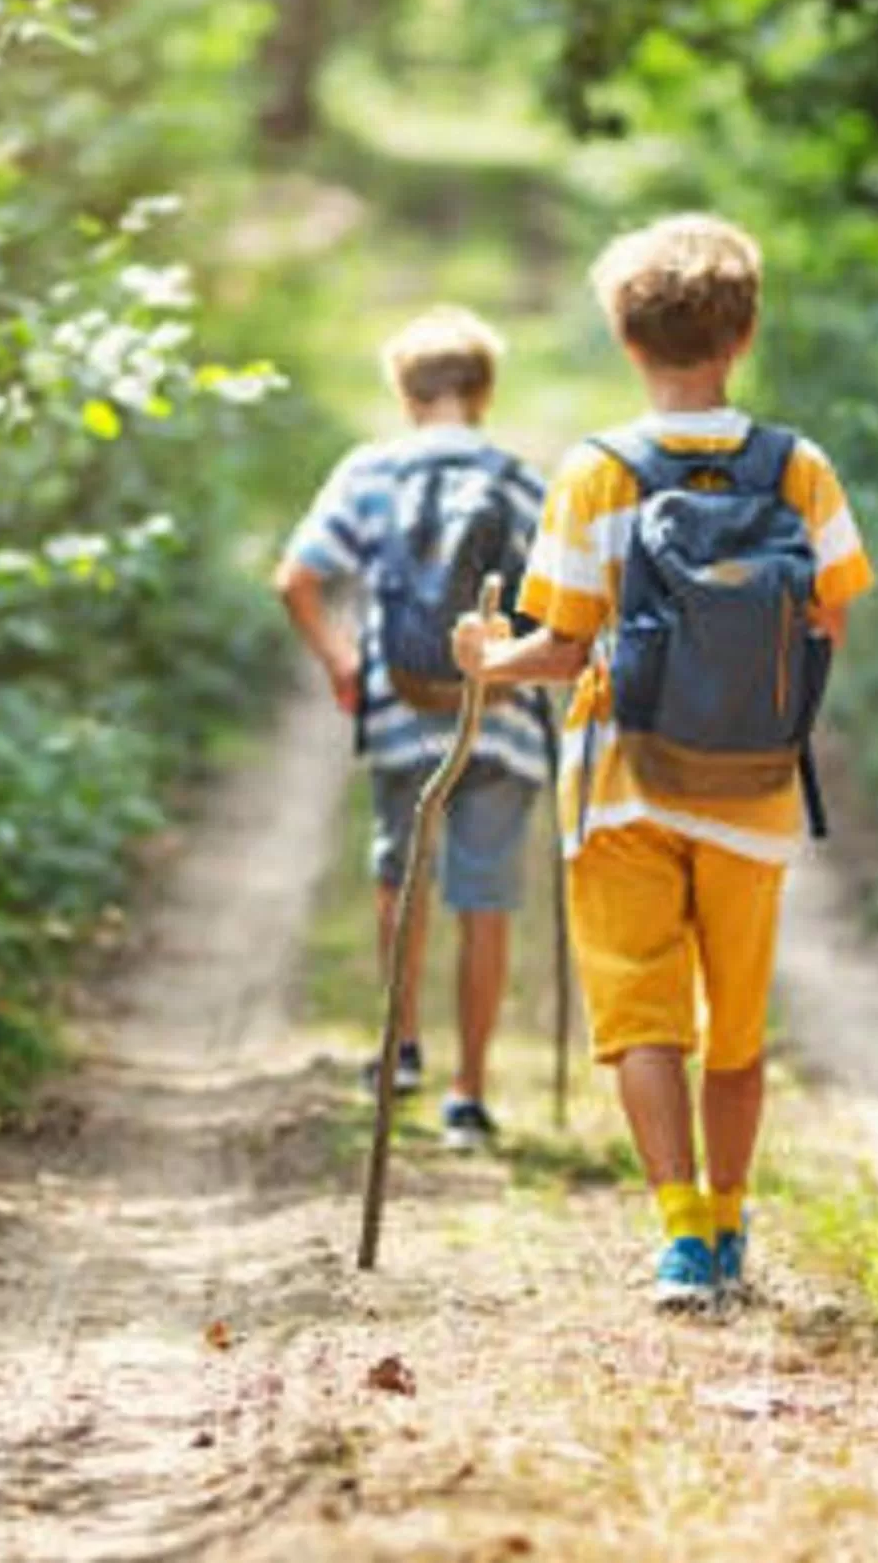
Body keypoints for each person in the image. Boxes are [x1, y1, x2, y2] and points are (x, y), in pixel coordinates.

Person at [453, 214, 875, 1310]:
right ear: (741, 334)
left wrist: (483, 660)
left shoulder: (596, 473)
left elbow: (563, 646)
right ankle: (735, 1221)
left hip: (622, 782)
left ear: (626, 340)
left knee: (643, 1013)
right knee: (734, 1027)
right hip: (756, 789)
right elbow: (833, 614)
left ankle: (682, 1233)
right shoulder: (801, 468)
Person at [275, 306, 549, 1151]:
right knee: (487, 895)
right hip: (499, 715)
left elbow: (296, 577)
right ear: (483, 391)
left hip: (400, 709)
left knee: (402, 873)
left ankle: (398, 1050)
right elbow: (564, 599)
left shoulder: (370, 472)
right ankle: (468, 1092)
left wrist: (340, 662)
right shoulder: (517, 477)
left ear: (405, 393)